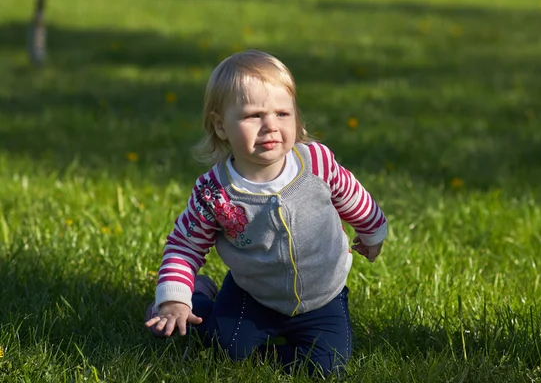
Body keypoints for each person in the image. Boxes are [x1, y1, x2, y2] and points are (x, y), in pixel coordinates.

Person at [145, 49, 387, 377]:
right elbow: (184, 247)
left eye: (282, 114)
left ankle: (285, 348)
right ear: (221, 126)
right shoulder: (214, 191)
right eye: (253, 115)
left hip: (322, 296)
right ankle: (193, 299)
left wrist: (373, 232)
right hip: (254, 294)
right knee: (225, 348)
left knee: (326, 368)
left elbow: (351, 194)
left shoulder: (315, 163)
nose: (270, 126)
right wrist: (174, 297)